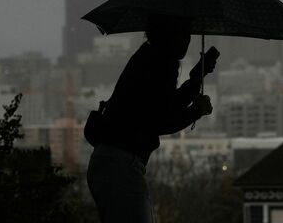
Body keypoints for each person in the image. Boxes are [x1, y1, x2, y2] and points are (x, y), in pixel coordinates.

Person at [86, 14, 216, 222]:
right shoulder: (160, 63)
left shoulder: (148, 57)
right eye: (182, 33)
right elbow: (160, 120)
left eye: (187, 33)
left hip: (110, 161)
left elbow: (164, 106)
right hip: (122, 164)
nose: (187, 39)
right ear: (169, 35)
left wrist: (197, 78)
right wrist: (195, 111)